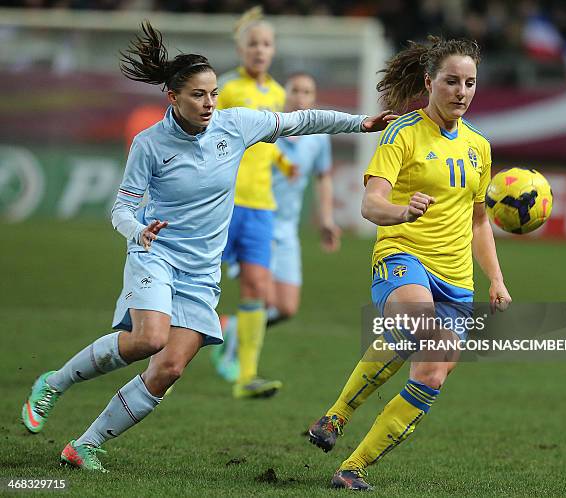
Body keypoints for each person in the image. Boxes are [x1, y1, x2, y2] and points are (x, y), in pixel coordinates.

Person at [20, 20, 395, 473]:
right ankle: (54, 383)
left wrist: (363, 122)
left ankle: (85, 445)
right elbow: (121, 206)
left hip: (202, 271)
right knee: (149, 339)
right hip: (155, 254)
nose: (210, 103)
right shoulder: (149, 144)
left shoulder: (234, 126)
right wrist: (135, 231)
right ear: (173, 97)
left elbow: (302, 120)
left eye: (214, 93)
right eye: (199, 95)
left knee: (170, 368)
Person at [307, 36, 512, 490]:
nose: (461, 91)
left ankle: (351, 467)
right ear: (429, 82)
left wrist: (495, 278)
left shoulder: (480, 146)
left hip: (457, 278)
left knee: (433, 372)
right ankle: (338, 416)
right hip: (404, 255)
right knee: (419, 323)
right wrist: (401, 212)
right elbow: (370, 203)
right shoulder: (402, 132)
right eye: (451, 81)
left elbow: (480, 222)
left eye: (470, 83)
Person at [213, 72, 341, 382]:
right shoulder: (266, 126)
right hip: (256, 218)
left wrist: (325, 218)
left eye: (307, 91)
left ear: (313, 99)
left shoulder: (318, 137)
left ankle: (231, 329)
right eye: (295, 89)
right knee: (264, 297)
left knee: (285, 308)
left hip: (287, 227)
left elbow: (323, 177)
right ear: (284, 95)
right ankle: (236, 361)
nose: (300, 96)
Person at [211, 7, 296, 399]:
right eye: (253, 44)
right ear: (241, 48)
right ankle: (162, 368)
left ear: (273, 50)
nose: (259, 50)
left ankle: (246, 377)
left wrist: (282, 161)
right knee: (198, 284)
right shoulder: (225, 89)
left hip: (262, 205)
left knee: (258, 288)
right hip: (224, 202)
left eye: (266, 44)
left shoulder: (278, 94)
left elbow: (267, 141)